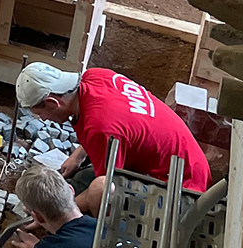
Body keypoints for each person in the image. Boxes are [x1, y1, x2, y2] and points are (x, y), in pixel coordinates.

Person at [16, 62, 210, 216]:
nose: (41, 119)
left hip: (182, 190)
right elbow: (116, 122)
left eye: (38, 113)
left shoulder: (100, 129)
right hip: (189, 161)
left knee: (94, 202)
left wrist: (57, 213)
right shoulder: (96, 76)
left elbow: (105, 189)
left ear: (52, 103)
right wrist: (78, 156)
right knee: (84, 178)